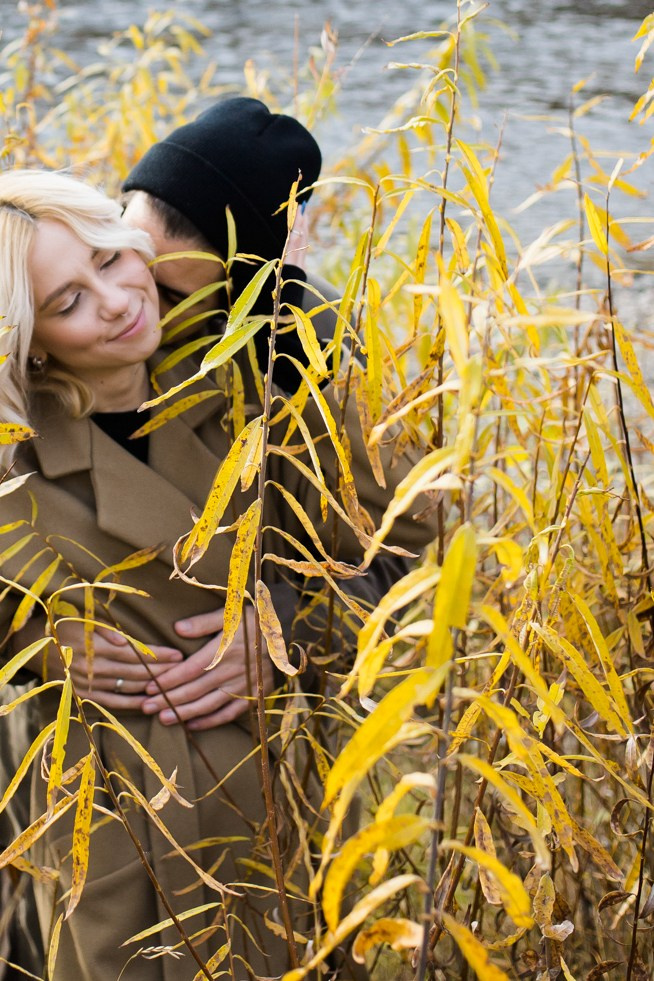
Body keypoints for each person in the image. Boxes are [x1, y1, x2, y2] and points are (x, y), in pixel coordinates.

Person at [0, 169, 435, 979]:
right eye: (66, 303)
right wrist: (37, 639)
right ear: (28, 338)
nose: (118, 298)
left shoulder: (264, 378)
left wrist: (286, 629)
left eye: (109, 255)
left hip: (284, 806)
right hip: (105, 838)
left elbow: (412, 551)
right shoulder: (13, 464)